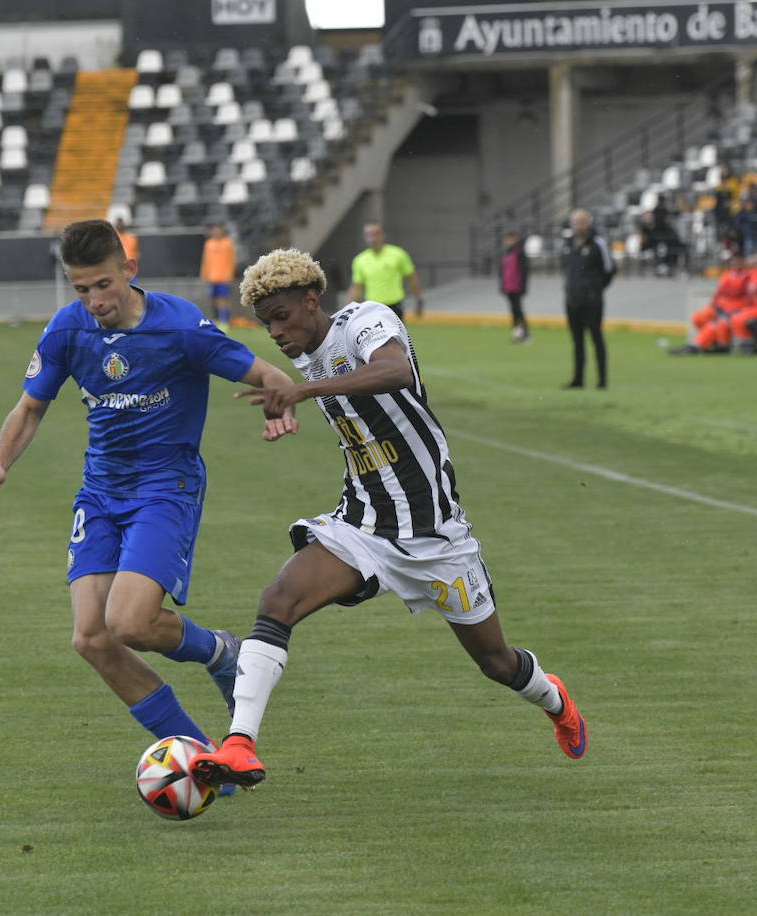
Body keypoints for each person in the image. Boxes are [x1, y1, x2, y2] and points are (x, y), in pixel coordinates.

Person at [186, 248, 587, 791]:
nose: (276, 332)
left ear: (312, 300)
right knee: (277, 600)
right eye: (266, 324)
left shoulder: (365, 321)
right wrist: (288, 407)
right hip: (363, 527)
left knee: (496, 662)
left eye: (282, 316)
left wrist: (302, 391)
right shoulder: (306, 355)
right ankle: (239, 744)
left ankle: (556, 701)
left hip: (437, 536)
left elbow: (395, 371)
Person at [0, 219, 300, 769]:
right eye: (80, 289)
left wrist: (278, 407)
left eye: (103, 285)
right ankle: (205, 763)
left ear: (129, 271)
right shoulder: (67, 330)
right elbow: (30, 408)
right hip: (99, 492)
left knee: (130, 623)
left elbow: (270, 374)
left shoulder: (181, 328)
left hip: (164, 488)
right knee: (92, 639)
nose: (94, 300)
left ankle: (221, 652)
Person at [561, 208, 615, 388]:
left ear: (588, 223)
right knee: (577, 341)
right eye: (575, 222)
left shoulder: (598, 243)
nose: (578, 226)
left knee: (596, 338)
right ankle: (578, 379)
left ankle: (602, 380)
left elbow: (609, 269)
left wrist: (596, 288)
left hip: (592, 301)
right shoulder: (568, 244)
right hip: (572, 300)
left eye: (582, 222)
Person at [348, 222, 423, 321]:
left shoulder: (398, 254)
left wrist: (419, 300)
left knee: (397, 336)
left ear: (383, 235)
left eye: (376, 234)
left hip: (395, 305)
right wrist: (348, 310)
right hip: (372, 307)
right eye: (369, 235)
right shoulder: (360, 260)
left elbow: (412, 278)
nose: (373, 238)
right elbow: (357, 287)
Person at [200, 223, 237, 328]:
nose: (216, 232)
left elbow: (231, 260)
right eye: (214, 230)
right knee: (214, 299)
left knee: (223, 299)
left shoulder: (227, 243)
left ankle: (225, 319)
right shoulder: (209, 244)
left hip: (223, 276)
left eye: (218, 230)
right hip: (212, 277)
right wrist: (204, 274)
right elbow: (206, 261)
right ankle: (217, 319)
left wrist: (229, 274)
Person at [498, 230, 531, 342]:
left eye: (510, 239)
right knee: (513, 311)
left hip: (517, 286)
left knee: (518, 311)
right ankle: (517, 333)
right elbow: (503, 271)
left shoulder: (519, 252)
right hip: (509, 287)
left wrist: (523, 286)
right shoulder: (507, 253)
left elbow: (524, 270)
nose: (508, 241)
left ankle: (525, 333)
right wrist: (502, 285)